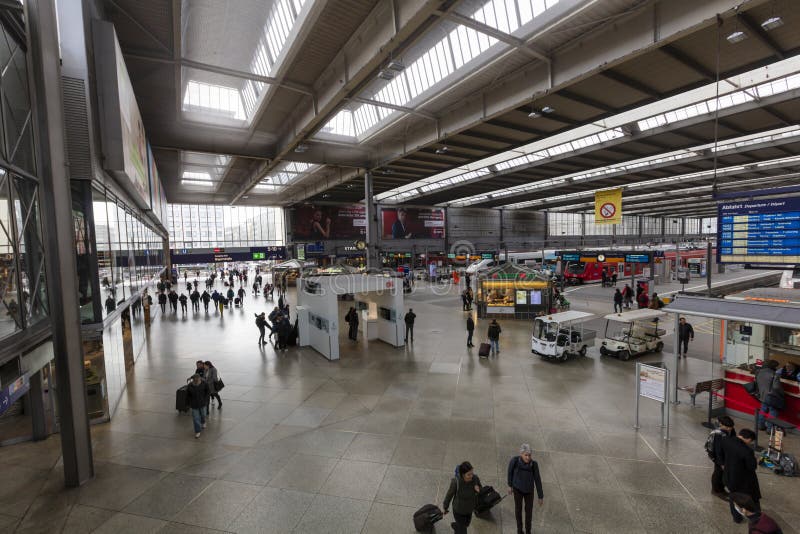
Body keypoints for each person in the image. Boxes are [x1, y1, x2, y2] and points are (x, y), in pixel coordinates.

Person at [719, 428, 761, 524]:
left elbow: (721, 453)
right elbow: (752, 466)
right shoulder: (747, 450)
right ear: (749, 439)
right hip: (743, 480)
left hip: (728, 475)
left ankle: (736, 518)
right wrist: (755, 460)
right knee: (752, 498)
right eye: (750, 441)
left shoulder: (726, 440)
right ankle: (756, 517)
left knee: (733, 496)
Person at [507, 444, 544, 534]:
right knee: (518, 510)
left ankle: (528, 531)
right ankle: (519, 530)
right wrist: (509, 485)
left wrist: (540, 496)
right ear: (521, 454)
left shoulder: (534, 465)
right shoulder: (514, 461)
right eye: (526, 455)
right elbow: (510, 472)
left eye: (529, 455)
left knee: (529, 512)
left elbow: (537, 480)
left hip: (529, 491)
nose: (528, 457)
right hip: (517, 489)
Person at [443, 461, 482, 534]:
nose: (471, 476)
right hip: (459, 511)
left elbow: (480, 488)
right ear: (463, 475)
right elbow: (449, 495)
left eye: (472, 473)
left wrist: (478, 489)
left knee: (466, 524)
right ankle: (458, 528)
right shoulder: (456, 482)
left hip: (469, 509)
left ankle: (456, 526)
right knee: (463, 531)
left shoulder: (475, 478)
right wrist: (445, 507)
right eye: (468, 474)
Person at [708, 415, 735, 499]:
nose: (729, 429)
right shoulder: (718, 434)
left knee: (723, 473)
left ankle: (721, 489)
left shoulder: (730, 430)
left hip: (726, 454)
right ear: (721, 424)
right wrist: (721, 463)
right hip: (717, 456)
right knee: (718, 472)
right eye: (727, 427)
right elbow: (718, 450)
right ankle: (716, 490)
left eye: (730, 427)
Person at [755, 360, 780, 432]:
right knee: (773, 411)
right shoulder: (775, 375)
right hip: (772, 396)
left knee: (763, 410)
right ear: (773, 367)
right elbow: (776, 387)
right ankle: (770, 429)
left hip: (762, 395)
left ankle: (760, 425)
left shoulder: (758, 372)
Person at [186, 374, 210, 438]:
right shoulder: (190, 386)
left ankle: (203, 421)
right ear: (193, 379)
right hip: (194, 405)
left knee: (203, 415)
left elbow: (208, 392)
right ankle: (197, 431)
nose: (196, 381)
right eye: (195, 380)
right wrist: (188, 403)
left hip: (202, 404)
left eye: (198, 379)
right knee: (196, 418)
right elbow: (187, 395)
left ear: (200, 378)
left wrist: (205, 400)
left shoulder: (204, 384)